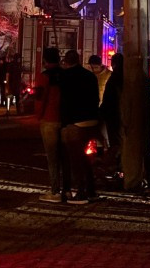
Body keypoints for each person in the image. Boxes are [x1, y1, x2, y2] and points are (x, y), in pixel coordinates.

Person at [59, 49, 102, 204]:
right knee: (86, 158)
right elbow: (96, 98)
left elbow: (63, 102)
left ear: (66, 61)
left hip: (75, 123)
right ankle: (92, 190)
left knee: (75, 159)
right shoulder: (90, 76)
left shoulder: (64, 77)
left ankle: (81, 192)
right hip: (92, 121)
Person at [33, 47, 70, 202]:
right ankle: (67, 190)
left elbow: (40, 99)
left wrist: (38, 116)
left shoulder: (44, 77)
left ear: (45, 60)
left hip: (49, 120)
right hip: (65, 119)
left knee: (52, 158)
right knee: (65, 157)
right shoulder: (66, 76)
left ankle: (55, 190)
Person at [99, 53, 123, 177]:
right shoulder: (127, 76)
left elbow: (108, 99)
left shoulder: (114, 78)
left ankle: (111, 166)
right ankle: (119, 166)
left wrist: (101, 113)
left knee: (115, 143)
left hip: (113, 116)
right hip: (123, 116)